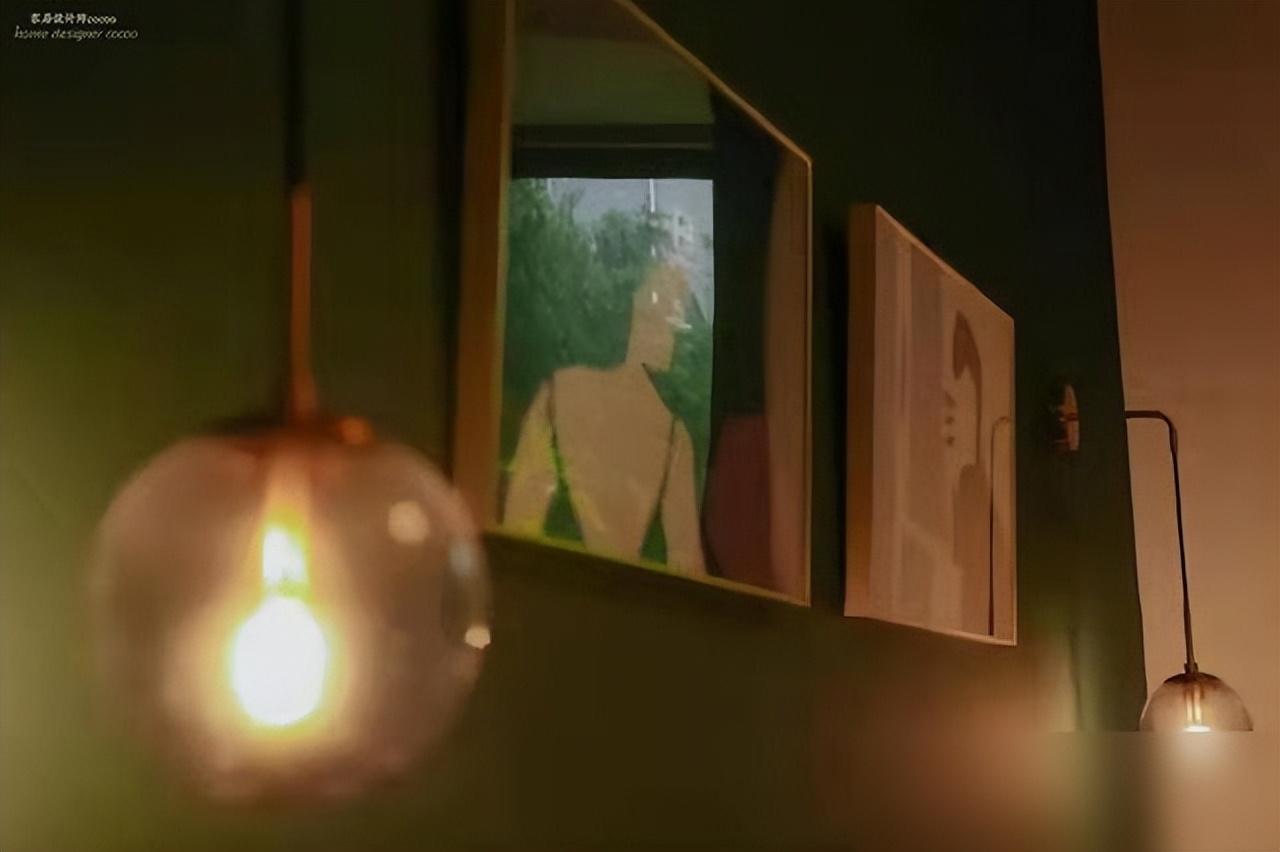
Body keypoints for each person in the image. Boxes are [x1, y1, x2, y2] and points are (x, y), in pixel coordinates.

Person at [503, 262, 706, 576]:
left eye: (676, 312)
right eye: (658, 308)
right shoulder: (555, 397)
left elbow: (517, 529)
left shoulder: (673, 438)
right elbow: (688, 568)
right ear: (630, 309)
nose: (669, 326)